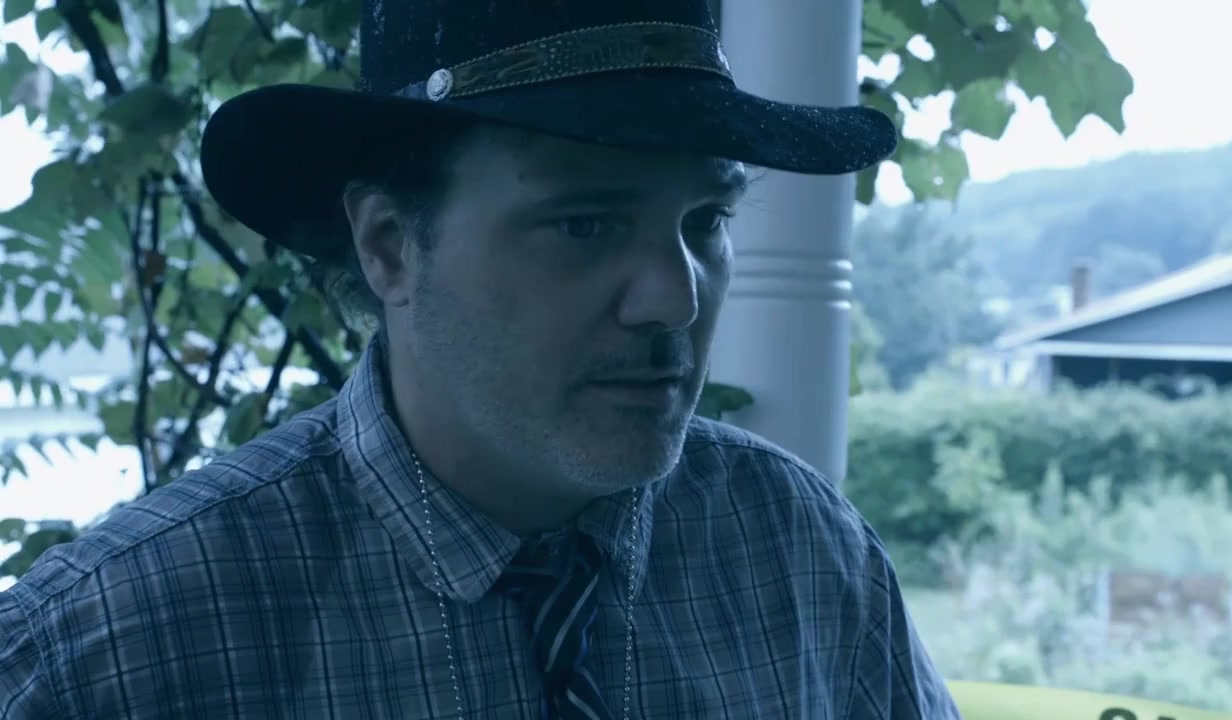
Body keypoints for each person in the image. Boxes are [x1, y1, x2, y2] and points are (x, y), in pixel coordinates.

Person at [0, 0, 961, 717]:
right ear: (388, 247)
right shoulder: (116, 646)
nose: (674, 299)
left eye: (706, 221)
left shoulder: (796, 550)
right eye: (585, 224)